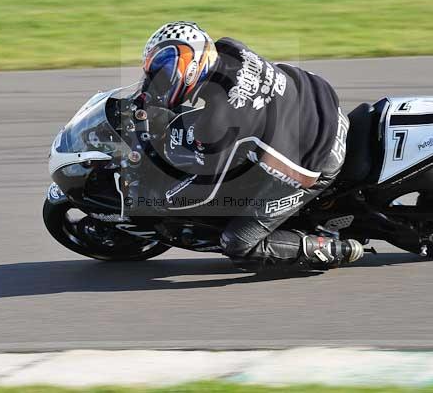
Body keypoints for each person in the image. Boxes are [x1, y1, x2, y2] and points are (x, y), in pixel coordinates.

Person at [137, 21, 363, 270]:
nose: (159, 78)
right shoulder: (228, 48)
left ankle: (331, 249)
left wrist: (160, 198)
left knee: (237, 242)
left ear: (190, 67)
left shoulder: (217, 123)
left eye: (165, 70)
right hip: (321, 103)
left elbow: (205, 189)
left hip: (317, 161)